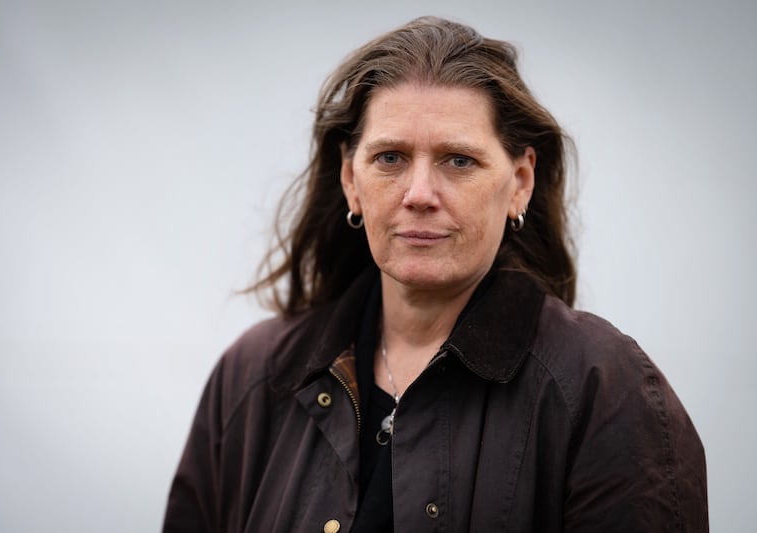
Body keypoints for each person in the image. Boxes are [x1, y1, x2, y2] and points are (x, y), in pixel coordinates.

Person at [163, 16, 708, 532]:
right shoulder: (254, 378)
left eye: (458, 160)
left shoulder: (604, 390)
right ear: (351, 180)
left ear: (519, 181)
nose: (419, 194)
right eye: (391, 158)